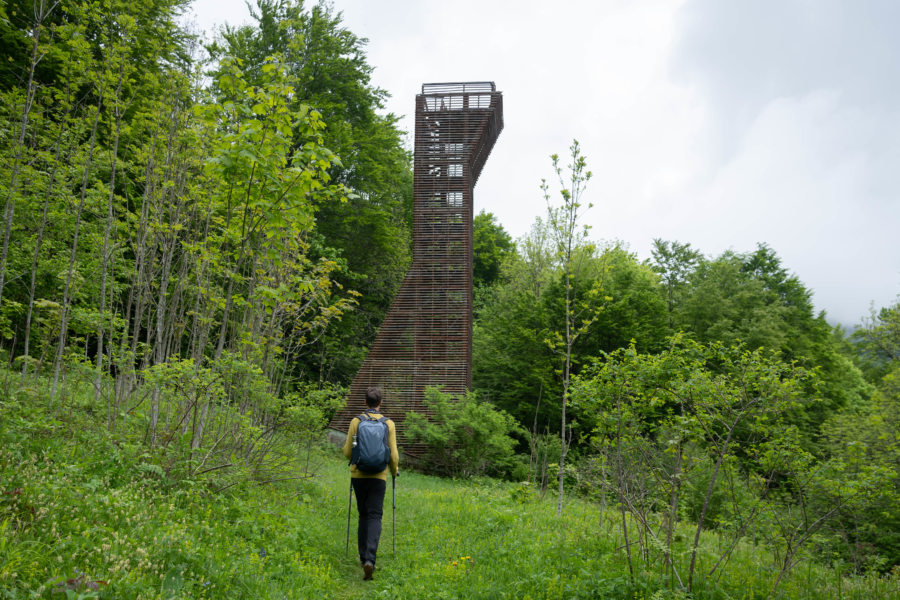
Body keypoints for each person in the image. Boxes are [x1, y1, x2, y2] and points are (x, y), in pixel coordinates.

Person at [342, 386, 399, 580]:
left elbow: (348, 452)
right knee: (375, 515)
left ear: (365, 402)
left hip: (358, 475)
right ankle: (370, 560)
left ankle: (362, 557)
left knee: (363, 515)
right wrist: (393, 471)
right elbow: (393, 454)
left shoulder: (356, 422)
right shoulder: (388, 424)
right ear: (380, 403)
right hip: (379, 476)